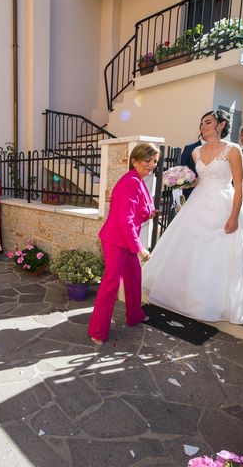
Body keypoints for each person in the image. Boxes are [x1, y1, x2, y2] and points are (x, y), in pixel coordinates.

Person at [143, 110, 243, 324]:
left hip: (224, 203)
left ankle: (214, 301)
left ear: (221, 125)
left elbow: (239, 186)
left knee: (220, 253)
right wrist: (181, 180)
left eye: (209, 122)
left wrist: (233, 216)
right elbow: (199, 180)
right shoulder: (196, 152)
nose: (204, 126)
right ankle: (183, 295)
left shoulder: (233, 150)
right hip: (198, 204)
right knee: (188, 248)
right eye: (202, 123)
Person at [87, 144, 157, 345]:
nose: (151, 165)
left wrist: (148, 213)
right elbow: (124, 220)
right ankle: (98, 331)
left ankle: (135, 315)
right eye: (147, 160)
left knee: (134, 277)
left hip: (127, 239)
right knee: (111, 284)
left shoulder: (139, 180)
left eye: (154, 161)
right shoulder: (130, 182)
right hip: (116, 241)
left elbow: (139, 210)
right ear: (134, 161)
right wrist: (140, 249)